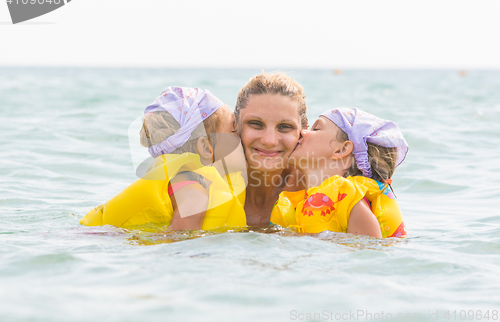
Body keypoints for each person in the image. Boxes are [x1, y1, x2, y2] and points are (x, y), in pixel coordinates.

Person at [80, 87, 247, 231]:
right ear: (205, 147)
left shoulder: (183, 182)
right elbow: (180, 249)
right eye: (233, 130)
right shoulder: (195, 194)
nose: (242, 134)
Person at [271, 108, 409, 238]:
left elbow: (369, 256)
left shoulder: (352, 203)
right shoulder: (300, 202)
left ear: (341, 150)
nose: (302, 132)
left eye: (316, 129)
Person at [234, 72, 308, 227]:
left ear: (303, 132)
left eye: (285, 127)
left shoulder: (314, 187)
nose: (269, 141)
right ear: (235, 126)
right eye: (255, 124)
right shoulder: (206, 182)